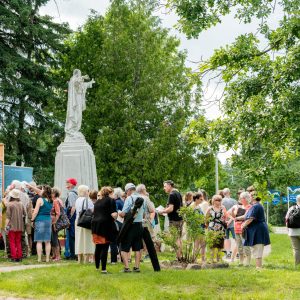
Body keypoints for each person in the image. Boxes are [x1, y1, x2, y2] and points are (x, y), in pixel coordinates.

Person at [119, 183, 146, 273]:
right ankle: (136, 267)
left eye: (127, 192)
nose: (127, 193)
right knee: (138, 247)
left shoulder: (129, 198)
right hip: (139, 225)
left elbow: (123, 214)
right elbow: (144, 214)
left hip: (129, 226)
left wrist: (119, 212)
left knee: (124, 246)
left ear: (129, 190)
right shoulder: (143, 199)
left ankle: (127, 268)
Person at [91, 187, 118, 274]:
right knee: (105, 247)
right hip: (105, 225)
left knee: (98, 246)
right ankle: (104, 269)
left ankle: (97, 267)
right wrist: (116, 215)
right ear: (110, 193)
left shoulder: (97, 202)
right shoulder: (111, 200)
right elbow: (113, 214)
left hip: (95, 225)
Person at [242, 196, 270, 269]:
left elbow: (250, 218)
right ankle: (258, 266)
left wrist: (243, 225)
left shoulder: (255, 206)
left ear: (253, 198)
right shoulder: (257, 206)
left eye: (249, 197)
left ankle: (258, 267)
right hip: (258, 229)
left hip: (257, 230)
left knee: (257, 249)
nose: (248, 199)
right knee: (257, 249)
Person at [159, 180, 183, 261]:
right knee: (179, 239)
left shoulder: (172, 194)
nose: (164, 188)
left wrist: (162, 211)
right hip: (180, 219)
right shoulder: (178, 193)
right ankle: (180, 256)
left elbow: (171, 208)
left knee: (176, 239)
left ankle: (179, 257)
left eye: (165, 186)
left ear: (169, 185)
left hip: (174, 220)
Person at [31, 185, 53, 263]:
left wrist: (32, 219)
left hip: (39, 220)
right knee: (47, 241)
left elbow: (36, 211)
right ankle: (47, 258)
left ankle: (39, 258)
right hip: (48, 220)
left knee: (39, 241)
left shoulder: (40, 199)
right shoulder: (51, 200)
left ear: (44, 191)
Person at [229, 191, 252, 265]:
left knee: (245, 246)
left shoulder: (250, 207)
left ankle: (247, 262)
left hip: (244, 229)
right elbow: (234, 217)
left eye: (241, 198)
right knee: (239, 246)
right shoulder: (239, 207)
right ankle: (241, 261)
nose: (240, 199)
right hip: (236, 228)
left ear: (245, 199)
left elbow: (246, 217)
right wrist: (232, 212)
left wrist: (237, 218)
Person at [74, 185, 95, 263]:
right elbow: (92, 211)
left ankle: (79, 259)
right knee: (86, 240)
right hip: (86, 222)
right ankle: (86, 259)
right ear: (85, 191)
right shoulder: (87, 200)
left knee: (79, 240)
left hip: (78, 221)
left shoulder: (77, 200)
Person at [5, 189, 25, 262]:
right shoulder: (21, 204)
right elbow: (24, 214)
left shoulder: (9, 204)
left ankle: (13, 257)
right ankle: (19, 256)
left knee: (12, 242)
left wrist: (5, 226)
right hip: (19, 226)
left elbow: (8, 217)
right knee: (18, 242)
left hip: (11, 226)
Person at [206, 195, 227, 263]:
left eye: (219, 200)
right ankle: (211, 259)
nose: (218, 202)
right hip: (212, 228)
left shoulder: (223, 208)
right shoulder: (210, 208)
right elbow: (206, 218)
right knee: (212, 244)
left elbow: (225, 217)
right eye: (216, 200)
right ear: (213, 201)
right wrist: (207, 226)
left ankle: (219, 259)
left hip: (221, 228)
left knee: (220, 244)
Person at [190, 192, 206, 263]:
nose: (202, 200)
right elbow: (190, 218)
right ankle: (194, 259)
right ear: (196, 199)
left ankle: (203, 259)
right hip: (196, 228)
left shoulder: (198, 206)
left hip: (201, 227)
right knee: (196, 244)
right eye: (200, 199)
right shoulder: (192, 206)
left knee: (203, 244)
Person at [64, 178, 78, 260]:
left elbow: (73, 207)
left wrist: (69, 218)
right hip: (73, 216)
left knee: (72, 236)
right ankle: (73, 253)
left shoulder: (71, 193)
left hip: (72, 216)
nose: (66, 183)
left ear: (72, 184)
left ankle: (72, 254)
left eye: (68, 182)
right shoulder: (75, 192)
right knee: (73, 235)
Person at [222, 188, 237, 259]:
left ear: (223, 194)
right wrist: (231, 220)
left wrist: (225, 222)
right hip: (233, 222)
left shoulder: (221, 201)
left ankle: (228, 252)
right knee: (236, 238)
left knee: (226, 238)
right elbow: (236, 213)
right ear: (229, 193)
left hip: (224, 222)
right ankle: (237, 252)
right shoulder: (234, 201)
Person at [285, 195, 300, 266]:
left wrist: (288, 231)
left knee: (296, 249)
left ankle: (297, 264)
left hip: (293, 232)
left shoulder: (291, 208)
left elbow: (287, 220)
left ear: (297, 200)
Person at [51, 187, 63, 261]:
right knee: (53, 238)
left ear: (55, 193)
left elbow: (58, 213)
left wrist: (54, 222)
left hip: (55, 222)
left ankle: (57, 256)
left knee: (54, 239)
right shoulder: (58, 200)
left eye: (51, 193)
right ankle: (54, 255)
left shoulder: (55, 201)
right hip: (55, 221)